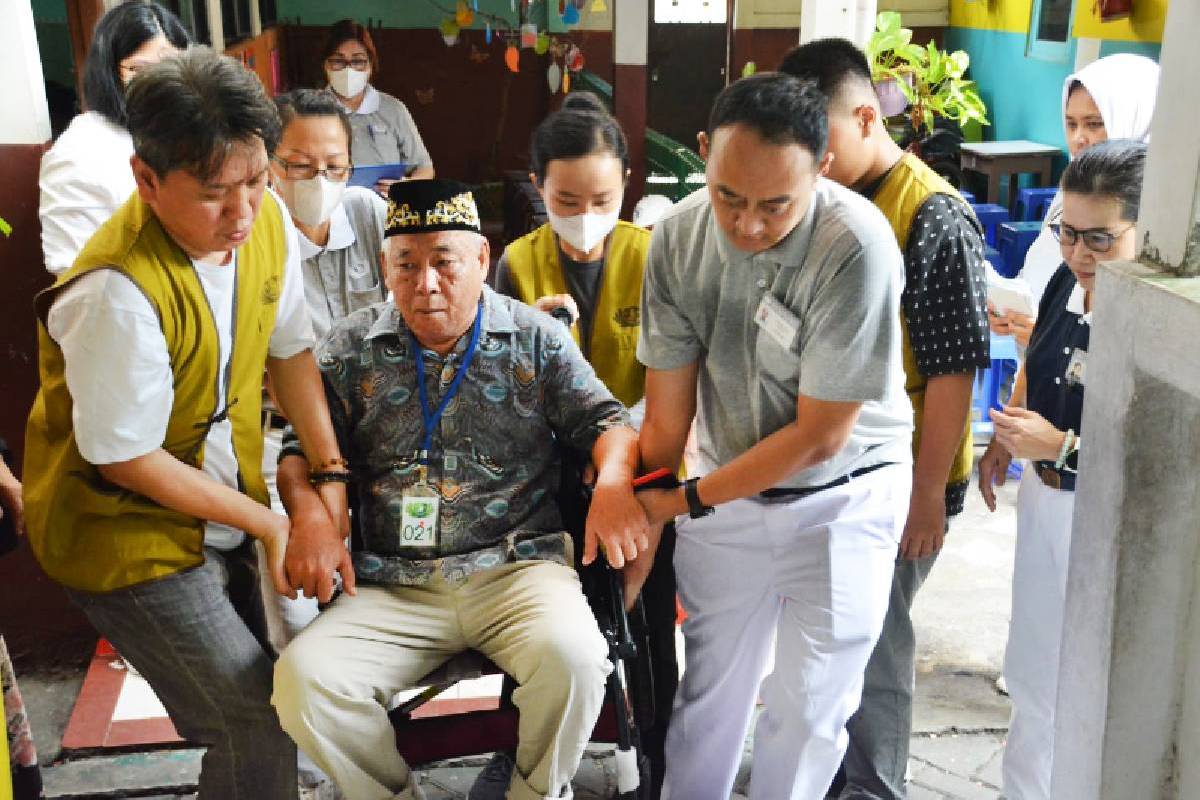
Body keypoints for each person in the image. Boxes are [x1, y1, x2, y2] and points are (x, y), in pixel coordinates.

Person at [22, 48, 348, 799]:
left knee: (277, 695)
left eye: (258, 181)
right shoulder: (114, 288)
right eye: (212, 194)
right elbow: (126, 460)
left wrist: (328, 481)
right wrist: (272, 525)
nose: (243, 213)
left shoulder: (261, 222)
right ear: (145, 180)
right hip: (122, 527)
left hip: (214, 498)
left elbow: (290, 346)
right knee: (249, 718)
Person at [271, 179, 651, 800]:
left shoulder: (534, 338)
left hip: (516, 570)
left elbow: (607, 424)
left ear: (480, 259)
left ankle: (532, 793)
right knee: (304, 680)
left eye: (444, 262)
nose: (426, 284)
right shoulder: (350, 346)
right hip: (392, 583)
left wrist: (612, 480)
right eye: (406, 265)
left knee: (579, 661)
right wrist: (309, 513)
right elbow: (296, 452)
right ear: (385, 268)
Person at [631, 73, 914, 800]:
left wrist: (685, 502)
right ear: (702, 154)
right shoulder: (676, 239)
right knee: (710, 693)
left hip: (844, 496)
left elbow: (821, 436)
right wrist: (646, 523)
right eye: (728, 195)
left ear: (821, 168)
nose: (747, 226)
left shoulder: (856, 246)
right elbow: (667, 419)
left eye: (774, 205)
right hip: (725, 488)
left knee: (810, 705)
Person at [779, 39, 992, 800]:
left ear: (868, 115)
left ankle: (876, 788)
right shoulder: (831, 199)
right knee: (836, 636)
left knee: (876, 642)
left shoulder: (932, 215)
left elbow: (954, 369)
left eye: (821, 139)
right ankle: (833, 774)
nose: (811, 157)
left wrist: (928, 494)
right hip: (837, 464)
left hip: (907, 479)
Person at [491, 91, 676, 798]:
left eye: (602, 197)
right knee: (536, 637)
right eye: (566, 198)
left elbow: (673, 383)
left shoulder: (653, 257)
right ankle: (527, 763)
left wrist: (635, 472)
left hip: (641, 474)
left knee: (649, 628)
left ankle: (654, 761)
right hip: (546, 486)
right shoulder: (515, 264)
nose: (585, 215)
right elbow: (499, 391)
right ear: (538, 187)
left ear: (627, 184)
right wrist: (530, 339)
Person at [979, 139, 1146, 800]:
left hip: (1102, 516)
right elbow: (1036, 361)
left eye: (1100, 238)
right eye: (1068, 232)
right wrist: (1006, 437)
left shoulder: (1156, 321)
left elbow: (1155, 458)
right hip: (1045, 504)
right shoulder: (1063, 282)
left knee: (1088, 686)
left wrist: (1062, 448)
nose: (1080, 253)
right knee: (1031, 673)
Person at [989, 53, 1159, 347]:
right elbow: (1042, 272)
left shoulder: (1150, 217)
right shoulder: (1071, 189)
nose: (1079, 138)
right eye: (1071, 124)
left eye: (1094, 124)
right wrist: (1006, 307)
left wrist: (1049, 336)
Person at [39, 0, 190, 275]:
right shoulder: (78, 154)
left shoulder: (179, 129)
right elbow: (75, 273)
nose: (161, 82)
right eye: (140, 70)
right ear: (108, 72)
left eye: (172, 66)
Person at [321, 18, 435, 179]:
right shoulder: (312, 111)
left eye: (358, 61)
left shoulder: (393, 109)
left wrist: (404, 187)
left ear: (371, 65)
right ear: (325, 65)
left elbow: (424, 168)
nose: (349, 69)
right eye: (338, 61)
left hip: (386, 202)